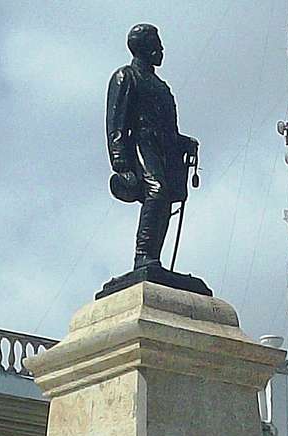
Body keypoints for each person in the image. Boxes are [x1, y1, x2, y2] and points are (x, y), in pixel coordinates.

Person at [106, 24, 199, 270]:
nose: (161, 48)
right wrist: (121, 162)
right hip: (141, 143)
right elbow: (116, 123)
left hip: (165, 149)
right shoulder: (126, 76)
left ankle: (154, 258)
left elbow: (170, 129)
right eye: (156, 43)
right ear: (143, 47)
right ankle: (143, 256)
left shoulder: (161, 87)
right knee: (156, 191)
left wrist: (184, 143)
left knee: (166, 197)